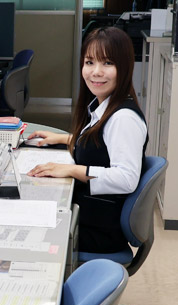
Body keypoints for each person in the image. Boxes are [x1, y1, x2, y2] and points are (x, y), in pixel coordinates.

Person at [26, 26, 147, 253]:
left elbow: (126, 178)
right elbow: (103, 145)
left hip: (99, 231)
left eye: (107, 63)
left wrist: (72, 170)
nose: (96, 72)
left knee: (25, 228)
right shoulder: (105, 106)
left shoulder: (123, 118)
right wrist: (67, 138)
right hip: (91, 217)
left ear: (125, 67)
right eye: (89, 62)